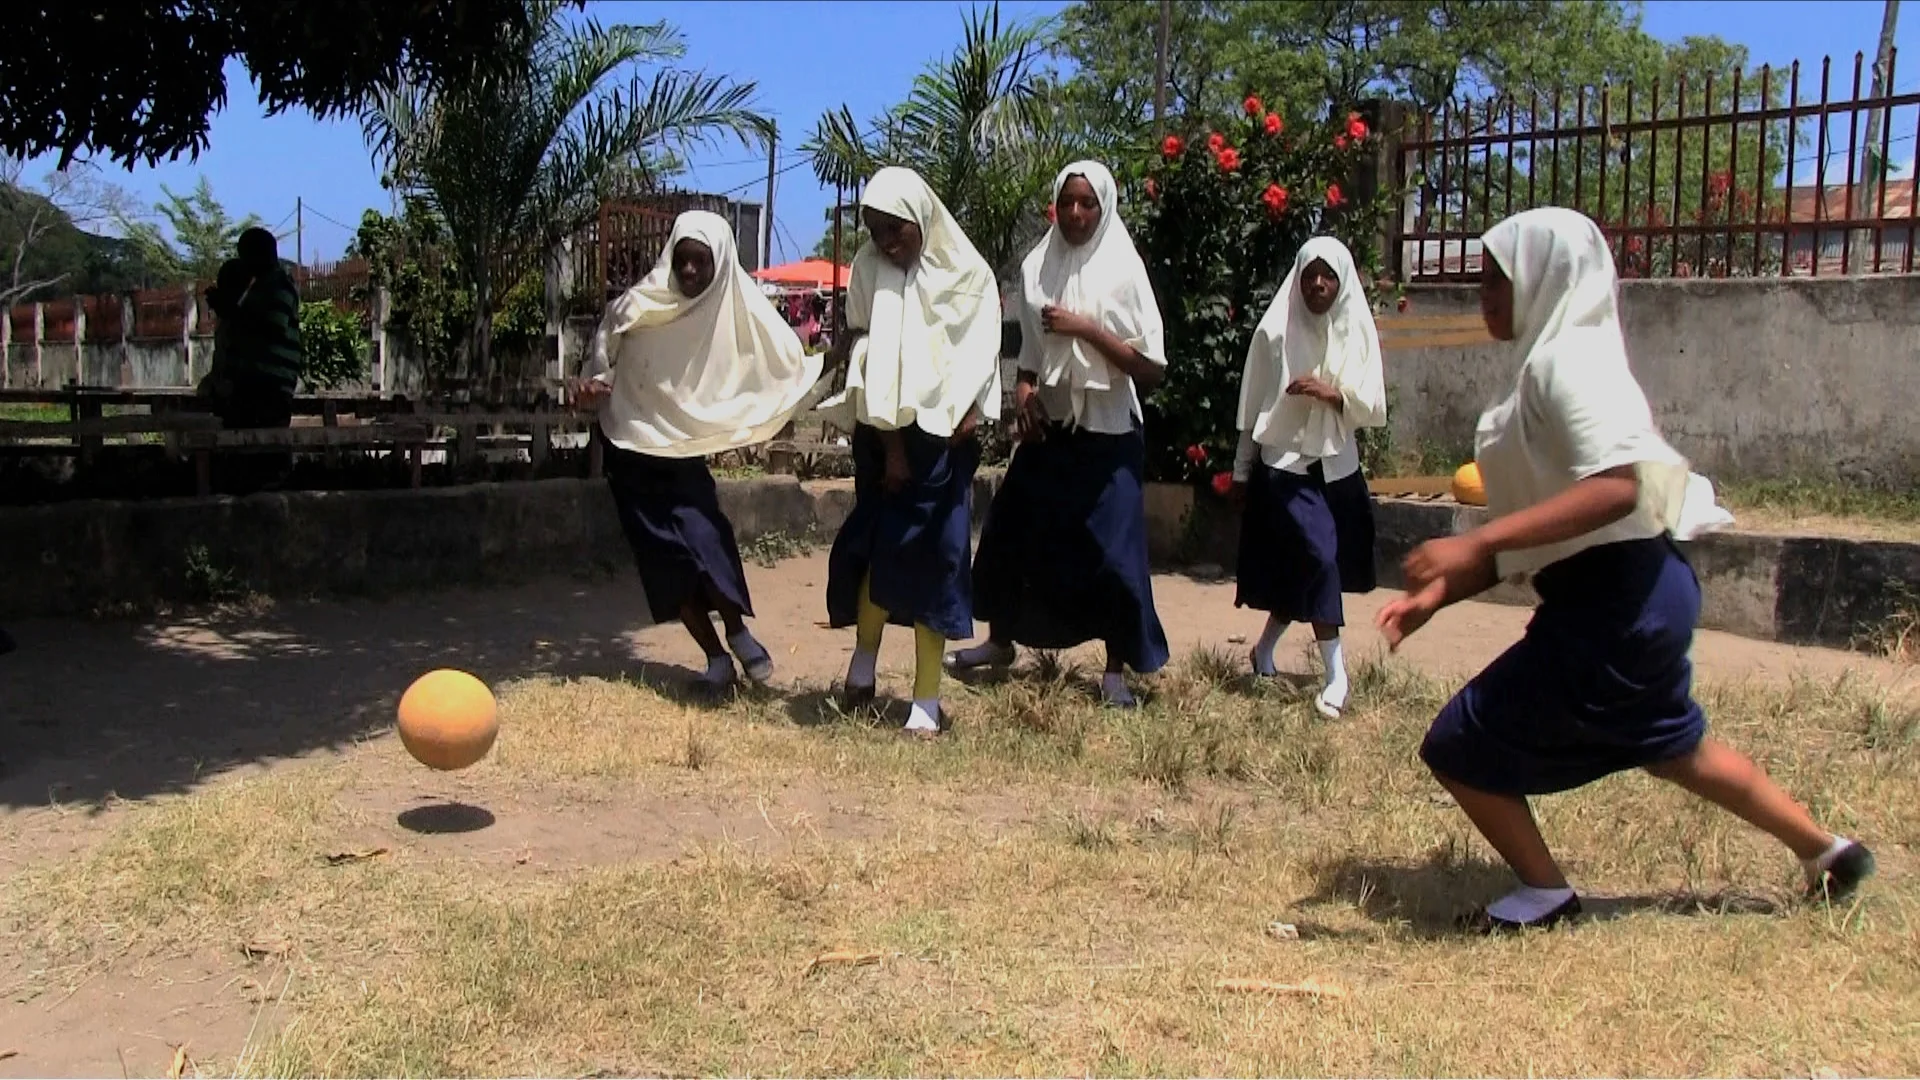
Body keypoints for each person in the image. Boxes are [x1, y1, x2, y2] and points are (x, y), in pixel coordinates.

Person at [1377, 207, 1875, 931]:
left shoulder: (1567, 363)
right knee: (1679, 749)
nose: (1483, 293)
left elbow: (1620, 485)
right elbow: (1544, 536)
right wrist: (1441, 595)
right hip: (1639, 591)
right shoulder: (1547, 367)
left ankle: (1546, 893)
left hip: (1615, 601)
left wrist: (1474, 546)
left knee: (1459, 743)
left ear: (1549, 281)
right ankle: (1828, 850)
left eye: (1498, 279)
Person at [946, 160, 1170, 707]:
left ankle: (1116, 672)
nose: (1074, 213)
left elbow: (1152, 368)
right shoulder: (1035, 267)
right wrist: (1024, 397)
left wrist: (1087, 330)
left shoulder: (1124, 271)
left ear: (1104, 208)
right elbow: (1028, 360)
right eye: (1066, 202)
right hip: (1053, 433)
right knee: (1009, 531)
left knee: (1115, 554)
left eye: (1086, 203)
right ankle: (1000, 642)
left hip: (1111, 434)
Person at [575, 210, 823, 691]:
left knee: (707, 544)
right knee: (664, 563)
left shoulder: (737, 315)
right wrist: (591, 389)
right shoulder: (635, 309)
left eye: (700, 263)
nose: (689, 272)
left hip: (682, 455)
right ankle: (715, 659)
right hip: (630, 452)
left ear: (721, 265)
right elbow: (601, 367)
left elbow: (784, 363)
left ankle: (738, 633)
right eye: (682, 261)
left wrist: (828, 364)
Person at [817, 166, 1002, 737]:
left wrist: (972, 413)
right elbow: (872, 364)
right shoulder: (870, 272)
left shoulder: (970, 275)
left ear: (922, 219)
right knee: (885, 552)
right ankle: (863, 666)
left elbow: (982, 351)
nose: (886, 243)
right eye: (875, 232)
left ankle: (924, 701)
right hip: (888, 441)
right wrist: (894, 451)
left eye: (896, 230)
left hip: (946, 443)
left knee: (940, 561)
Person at [1230, 237, 1387, 719]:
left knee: (1308, 569)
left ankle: (1262, 651)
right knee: (1319, 559)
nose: (1319, 284)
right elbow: (1251, 404)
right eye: (1310, 274)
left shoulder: (1356, 329)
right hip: (1286, 466)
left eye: (1329, 275)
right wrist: (1241, 468)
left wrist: (1332, 394)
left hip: (1336, 465)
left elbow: (1373, 405)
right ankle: (1336, 677)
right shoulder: (1274, 332)